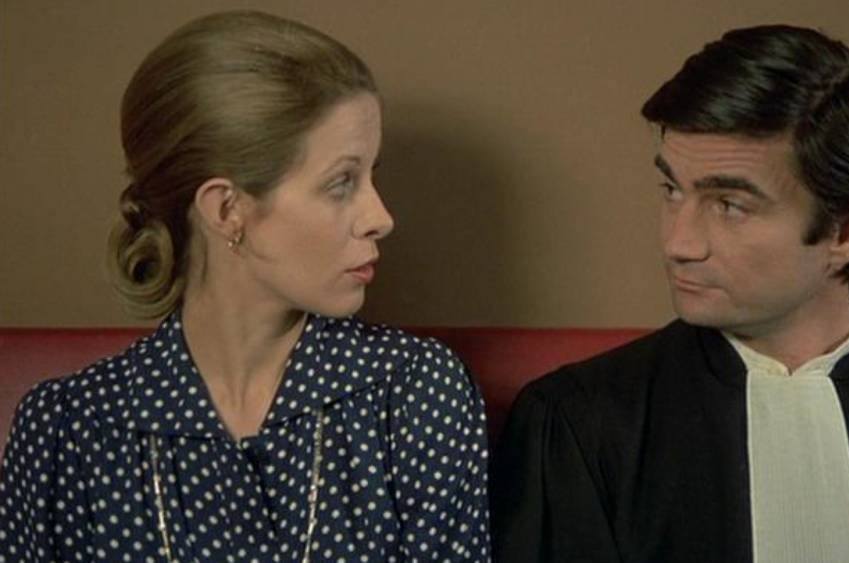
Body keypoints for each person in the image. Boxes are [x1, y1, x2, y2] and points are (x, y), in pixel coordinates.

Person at [491, 24, 849, 563]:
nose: (678, 243)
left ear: (848, 232)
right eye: (671, 190)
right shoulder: (578, 424)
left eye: (730, 205)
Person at [0, 11, 490, 562]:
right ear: (226, 209)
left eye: (372, 175)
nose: (381, 217)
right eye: (341, 183)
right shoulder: (67, 430)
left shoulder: (416, 393)